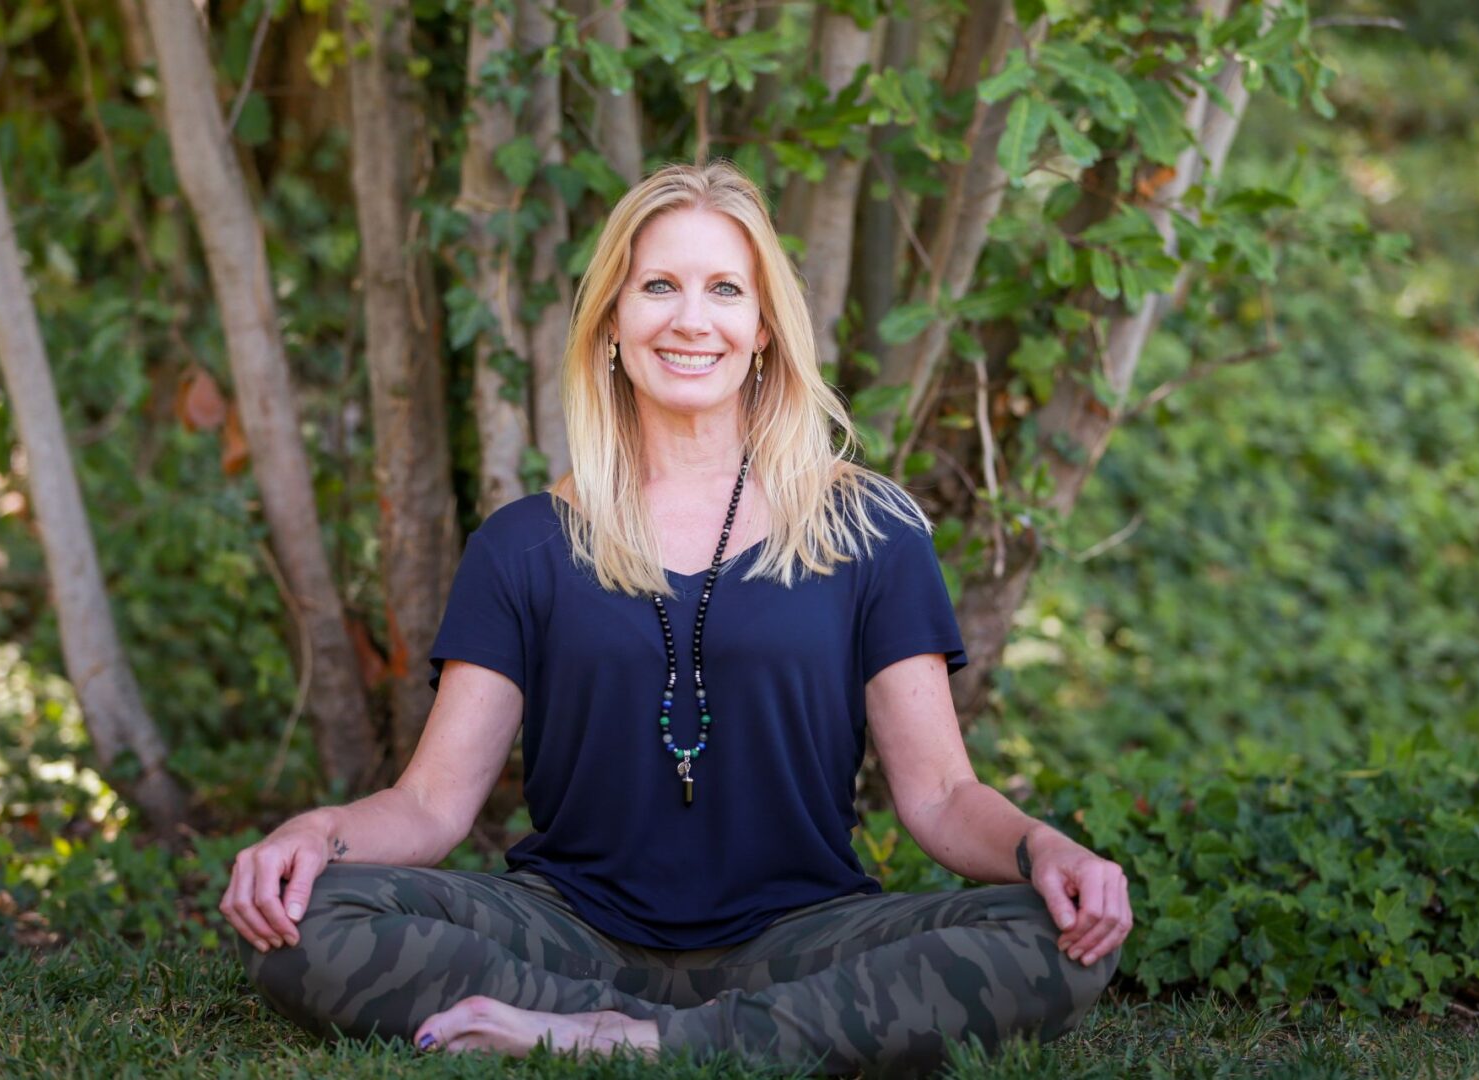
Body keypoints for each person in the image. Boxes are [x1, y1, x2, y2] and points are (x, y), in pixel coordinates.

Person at [219, 161, 1132, 1076]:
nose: (692, 319)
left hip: (804, 934)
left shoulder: (868, 531)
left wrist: (1040, 846)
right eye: (659, 286)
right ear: (613, 321)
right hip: (565, 934)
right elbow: (430, 805)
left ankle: (608, 1039)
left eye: (725, 290)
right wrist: (317, 833)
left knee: (1050, 932)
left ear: (765, 329)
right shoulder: (525, 544)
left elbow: (937, 797)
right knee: (306, 918)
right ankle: (708, 1031)